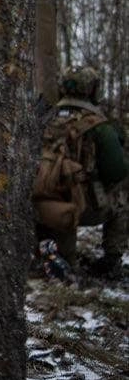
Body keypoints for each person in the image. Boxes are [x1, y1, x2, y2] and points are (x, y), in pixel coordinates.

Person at [34, 66, 126, 277]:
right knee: (122, 201)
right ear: (93, 90)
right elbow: (116, 172)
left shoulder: (43, 117)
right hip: (80, 208)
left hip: (38, 205)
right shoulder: (99, 126)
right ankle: (112, 259)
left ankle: (51, 253)